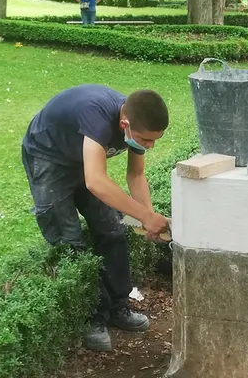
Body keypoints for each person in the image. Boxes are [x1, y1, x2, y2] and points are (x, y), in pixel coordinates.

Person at [21, 85, 172, 352]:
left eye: (155, 140)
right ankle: (93, 318)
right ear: (124, 123)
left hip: (81, 159)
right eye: (147, 140)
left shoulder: (136, 123)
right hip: (47, 157)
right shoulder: (97, 117)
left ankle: (117, 307)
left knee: (112, 230)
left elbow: (135, 176)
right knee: (70, 240)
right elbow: (95, 181)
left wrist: (146, 217)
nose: (150, 145)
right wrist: (145, 216)